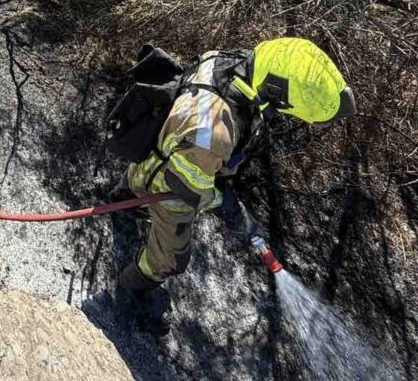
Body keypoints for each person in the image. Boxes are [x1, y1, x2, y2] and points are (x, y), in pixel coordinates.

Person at [108, 38, 354, 316]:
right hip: (167, 181)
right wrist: (227, 205)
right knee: (171, 258)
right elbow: (188, 190)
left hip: (162, 148)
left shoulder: (234, 65)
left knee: (143, 179)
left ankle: (122, 201)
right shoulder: (212, 135)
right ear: (277, 92)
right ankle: (132, 289)